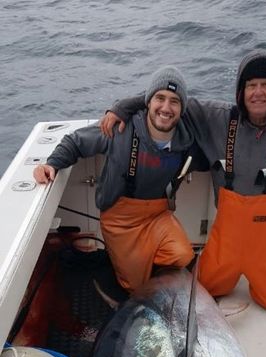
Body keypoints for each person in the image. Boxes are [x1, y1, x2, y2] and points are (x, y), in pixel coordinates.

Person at [101, 49, 266, 313]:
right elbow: (168, 100)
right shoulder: (218, 118)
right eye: (251, 85)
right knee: (202, 291)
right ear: (240, 90)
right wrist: (122, 107)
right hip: (228, 239)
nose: (258, 92)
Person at [33, 66, 208, 295]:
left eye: (174, 101)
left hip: (158, 216)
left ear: (182, 108)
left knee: (183, 256)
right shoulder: (121, 129)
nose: (166, 108)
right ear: (148, 101)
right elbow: (76, 141)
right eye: (160, 98)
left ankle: (156, 279)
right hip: (120, 221)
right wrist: (52, 163)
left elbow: (213, 156)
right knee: (134, 287)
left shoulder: (187, 142)